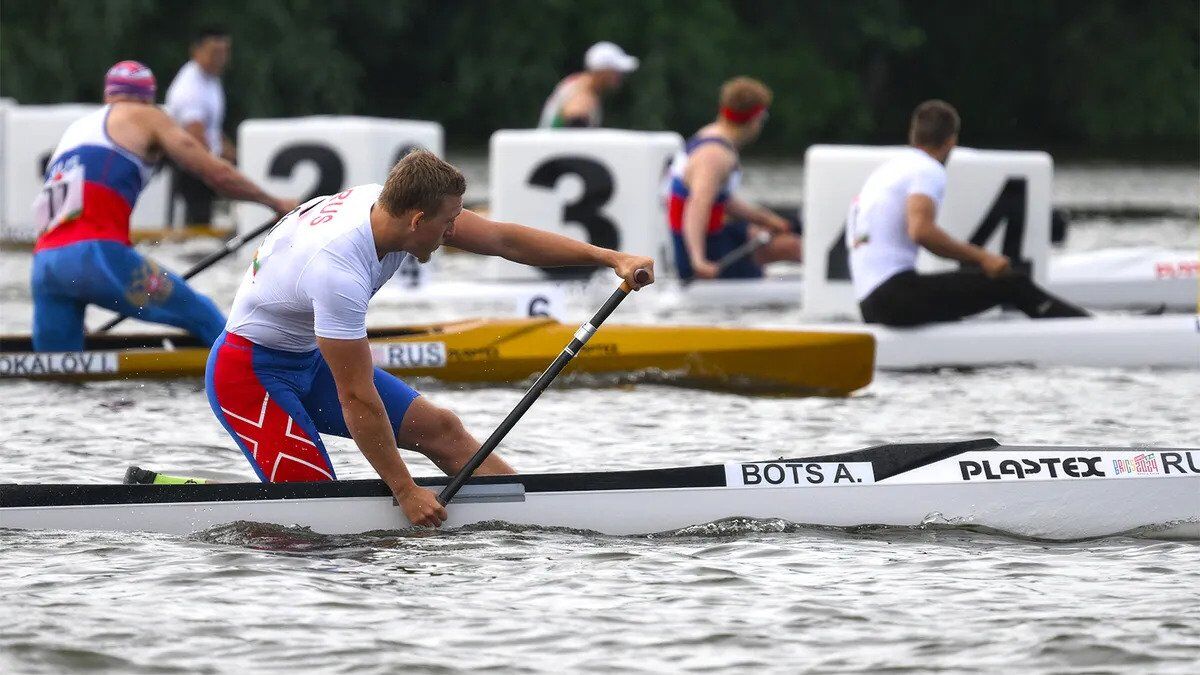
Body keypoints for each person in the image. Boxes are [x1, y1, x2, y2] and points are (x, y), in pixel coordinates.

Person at [205, 150, 654, 528]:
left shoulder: (388, 207)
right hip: (249, 376)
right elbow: (358, 398)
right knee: (316, 519)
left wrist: (609, 256)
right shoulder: (338, 270)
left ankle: (537, 525)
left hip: (308, 357)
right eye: (448, 223)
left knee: (443, 429)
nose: (453, 231)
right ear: (419, 220)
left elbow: (503, 240)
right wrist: (405, 491)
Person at [30, 60, 296, 352]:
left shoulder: (75, 130)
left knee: (58, 368)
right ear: (149, 97)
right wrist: (273, 202)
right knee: (204, 315)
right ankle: (252, 378)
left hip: (46, 266)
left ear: (108, 95)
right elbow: (215, 173)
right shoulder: (148, 115)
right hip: (96, 256)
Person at [846, 99, 1089, 327]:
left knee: (959, 297)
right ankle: (1087, 331)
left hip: (869, 303)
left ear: (913, 135)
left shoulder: (887, 171)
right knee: (1011, 284)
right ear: (951, 142)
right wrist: (983, 258)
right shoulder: (928, 169)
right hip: (893, 298)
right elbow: (920, 231)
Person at [667, 77, 802, 280]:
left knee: (786, 241)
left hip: (716, 234)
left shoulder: (710, 134)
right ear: (756, 118)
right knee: (795, 248)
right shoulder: (714, 155)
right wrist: (698, 261)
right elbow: (697, 205)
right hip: (707, 250)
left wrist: (765, 219)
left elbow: (720, 199)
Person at [164, 26, 234, 225]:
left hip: (207, 160)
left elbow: (212, 129)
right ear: (197, 51)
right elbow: (196, 137)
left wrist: (234, 156)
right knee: (199, 223)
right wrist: (220, 169)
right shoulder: (191, 87)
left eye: (224, 52)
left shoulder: (210, 80)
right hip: (193, 165)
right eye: (214, 52)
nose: (220, 58)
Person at [538, 41, 638, 128]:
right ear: (602, 71)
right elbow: (574, 137)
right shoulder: (583, 99)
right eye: (616, 71)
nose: (620, 76)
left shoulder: (576, 81)